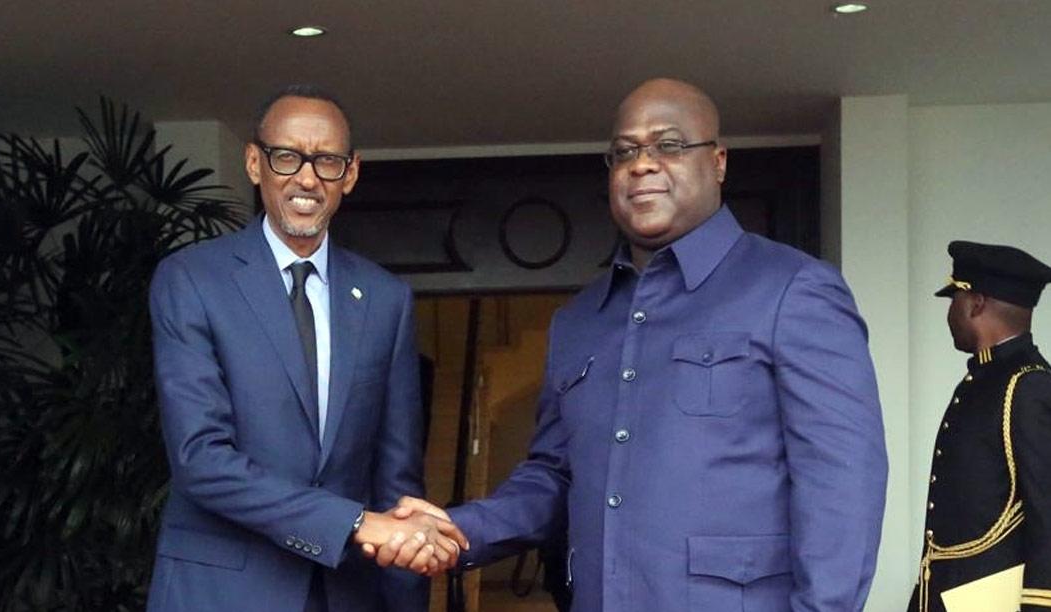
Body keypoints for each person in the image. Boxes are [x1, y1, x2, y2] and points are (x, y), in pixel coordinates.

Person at [382, 78, 888, 611]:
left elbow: (843, 482)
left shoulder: (791, 290)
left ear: (717, 162)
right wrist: (458, 529)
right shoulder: (579, 321)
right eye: (624, 152)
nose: (642, 164)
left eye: (668, 145)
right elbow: (554, 478)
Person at [146, 85, 465, 612]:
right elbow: (199, 458)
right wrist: (354, 523)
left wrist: (407, 593)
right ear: (254, 163)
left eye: (327, 161)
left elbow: (396, 473)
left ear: (351, 174)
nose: (307, 178)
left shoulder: (385, 299)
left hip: (346, 593)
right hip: (223, 594)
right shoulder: (193, 281)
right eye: (287, 157)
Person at [909, 241, 1051, 612]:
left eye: (954, 299)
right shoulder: (985, 380)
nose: (950, 313)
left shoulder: (1027, 386)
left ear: (976, 303)